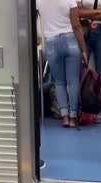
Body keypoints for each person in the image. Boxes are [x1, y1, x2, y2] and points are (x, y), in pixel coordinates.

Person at [36, 0, 89, 128]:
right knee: (73, 82)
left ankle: (64, 117)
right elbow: (76, 25)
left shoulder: (38, 1)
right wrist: (83, 49)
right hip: (69, 39)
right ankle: (73, 117)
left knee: (59, 82)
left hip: (51, 42)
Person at [77, 0, 101, 82]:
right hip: (84, 31)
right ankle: (82, 94)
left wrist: (86, 14)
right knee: (80, 68)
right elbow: (78, 12)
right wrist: (100, 11)